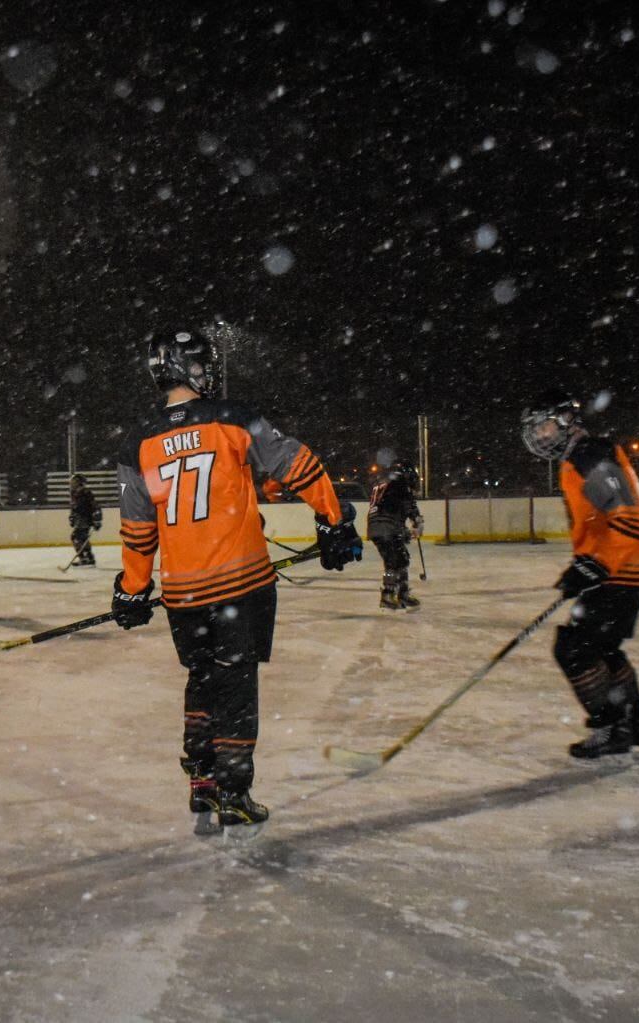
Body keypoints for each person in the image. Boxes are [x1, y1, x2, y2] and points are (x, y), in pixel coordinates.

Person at [110, 329, 362, 833]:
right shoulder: (231, 418)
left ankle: (201, 777)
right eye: (201, 364)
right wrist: (334, 520)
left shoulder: (138, 442)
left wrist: (132, 590)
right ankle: (234, 791)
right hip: (240, 585)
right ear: (184, 367)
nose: (208, 373)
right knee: (236, 682)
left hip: (183, 593)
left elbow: (138, 532)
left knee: (202, 678)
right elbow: (296, 463)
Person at [521, 391, 639, 759]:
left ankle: (610, 726)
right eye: (535, 432)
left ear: (567, 422)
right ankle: (636, 723)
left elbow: (625, 515)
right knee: (601, 648)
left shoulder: (588, 455)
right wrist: (586, 563)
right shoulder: (583, 456)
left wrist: (596, 563)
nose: (541, 437)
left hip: (623, 568)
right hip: (628, 565)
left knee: (573, 648)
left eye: (546, 427)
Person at [367, 459, 425, 610]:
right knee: (394, 559)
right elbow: (408, 504)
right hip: (387, 526)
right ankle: (388, 594)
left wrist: (402, 529)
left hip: (377, 526)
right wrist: (417, 520)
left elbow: (390, 505)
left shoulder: (383, 483)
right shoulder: (399, 484)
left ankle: (401, 593)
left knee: (400, 558)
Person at [69, 474, 102, 566]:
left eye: (74, 481)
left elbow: (95, 507)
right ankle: (88, 557)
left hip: (85, 519)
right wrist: (72, 517)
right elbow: (74, 508)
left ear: (79, 482)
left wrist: (97, 520)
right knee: (82, 538)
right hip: (80, 519)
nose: (72, 483)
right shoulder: (75, 493)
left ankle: (84, 558)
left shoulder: (85, 492)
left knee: (76, 537)